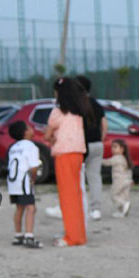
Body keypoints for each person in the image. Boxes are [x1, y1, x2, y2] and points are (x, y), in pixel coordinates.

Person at [42, 77, 91, 247]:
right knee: (76, 195)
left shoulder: (57, 112)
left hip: (64, 155)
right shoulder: (78, 111)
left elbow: (47, 135)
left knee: (67, 197)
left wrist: (53, 139)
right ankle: (78, 234)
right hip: (77, 154)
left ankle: (72, 237)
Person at [5, 120, 43, 249]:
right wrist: (34, 177)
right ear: (25, 132)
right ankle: (29, 236)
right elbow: (33, 167)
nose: (32, 128)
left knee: (19, 207)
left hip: (12, 182)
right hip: (24, 182)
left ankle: (18, 235)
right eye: (29, 127)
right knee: (31, 208)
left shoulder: (13, 147)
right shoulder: (31, 146)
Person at [76, 75, 108, 221]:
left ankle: (78, 207)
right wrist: (100, 139)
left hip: (82, 146)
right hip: (97, 144)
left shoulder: (76, 104)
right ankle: (96, 210)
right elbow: (104, 125)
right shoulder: (96, 103)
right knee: (95, 178)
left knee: (78, 178)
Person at [101, 138, 133, 218]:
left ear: (122, 149)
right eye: (112, 147)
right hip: (127, 180)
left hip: (119, 181)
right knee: (123, 195)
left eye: (115, 147)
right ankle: (122, 212)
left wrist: (98, 160)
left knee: (114, 195)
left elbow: (107, 162)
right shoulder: (125, 159)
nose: (113, 149)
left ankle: (123, 204)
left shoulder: (117, 158)